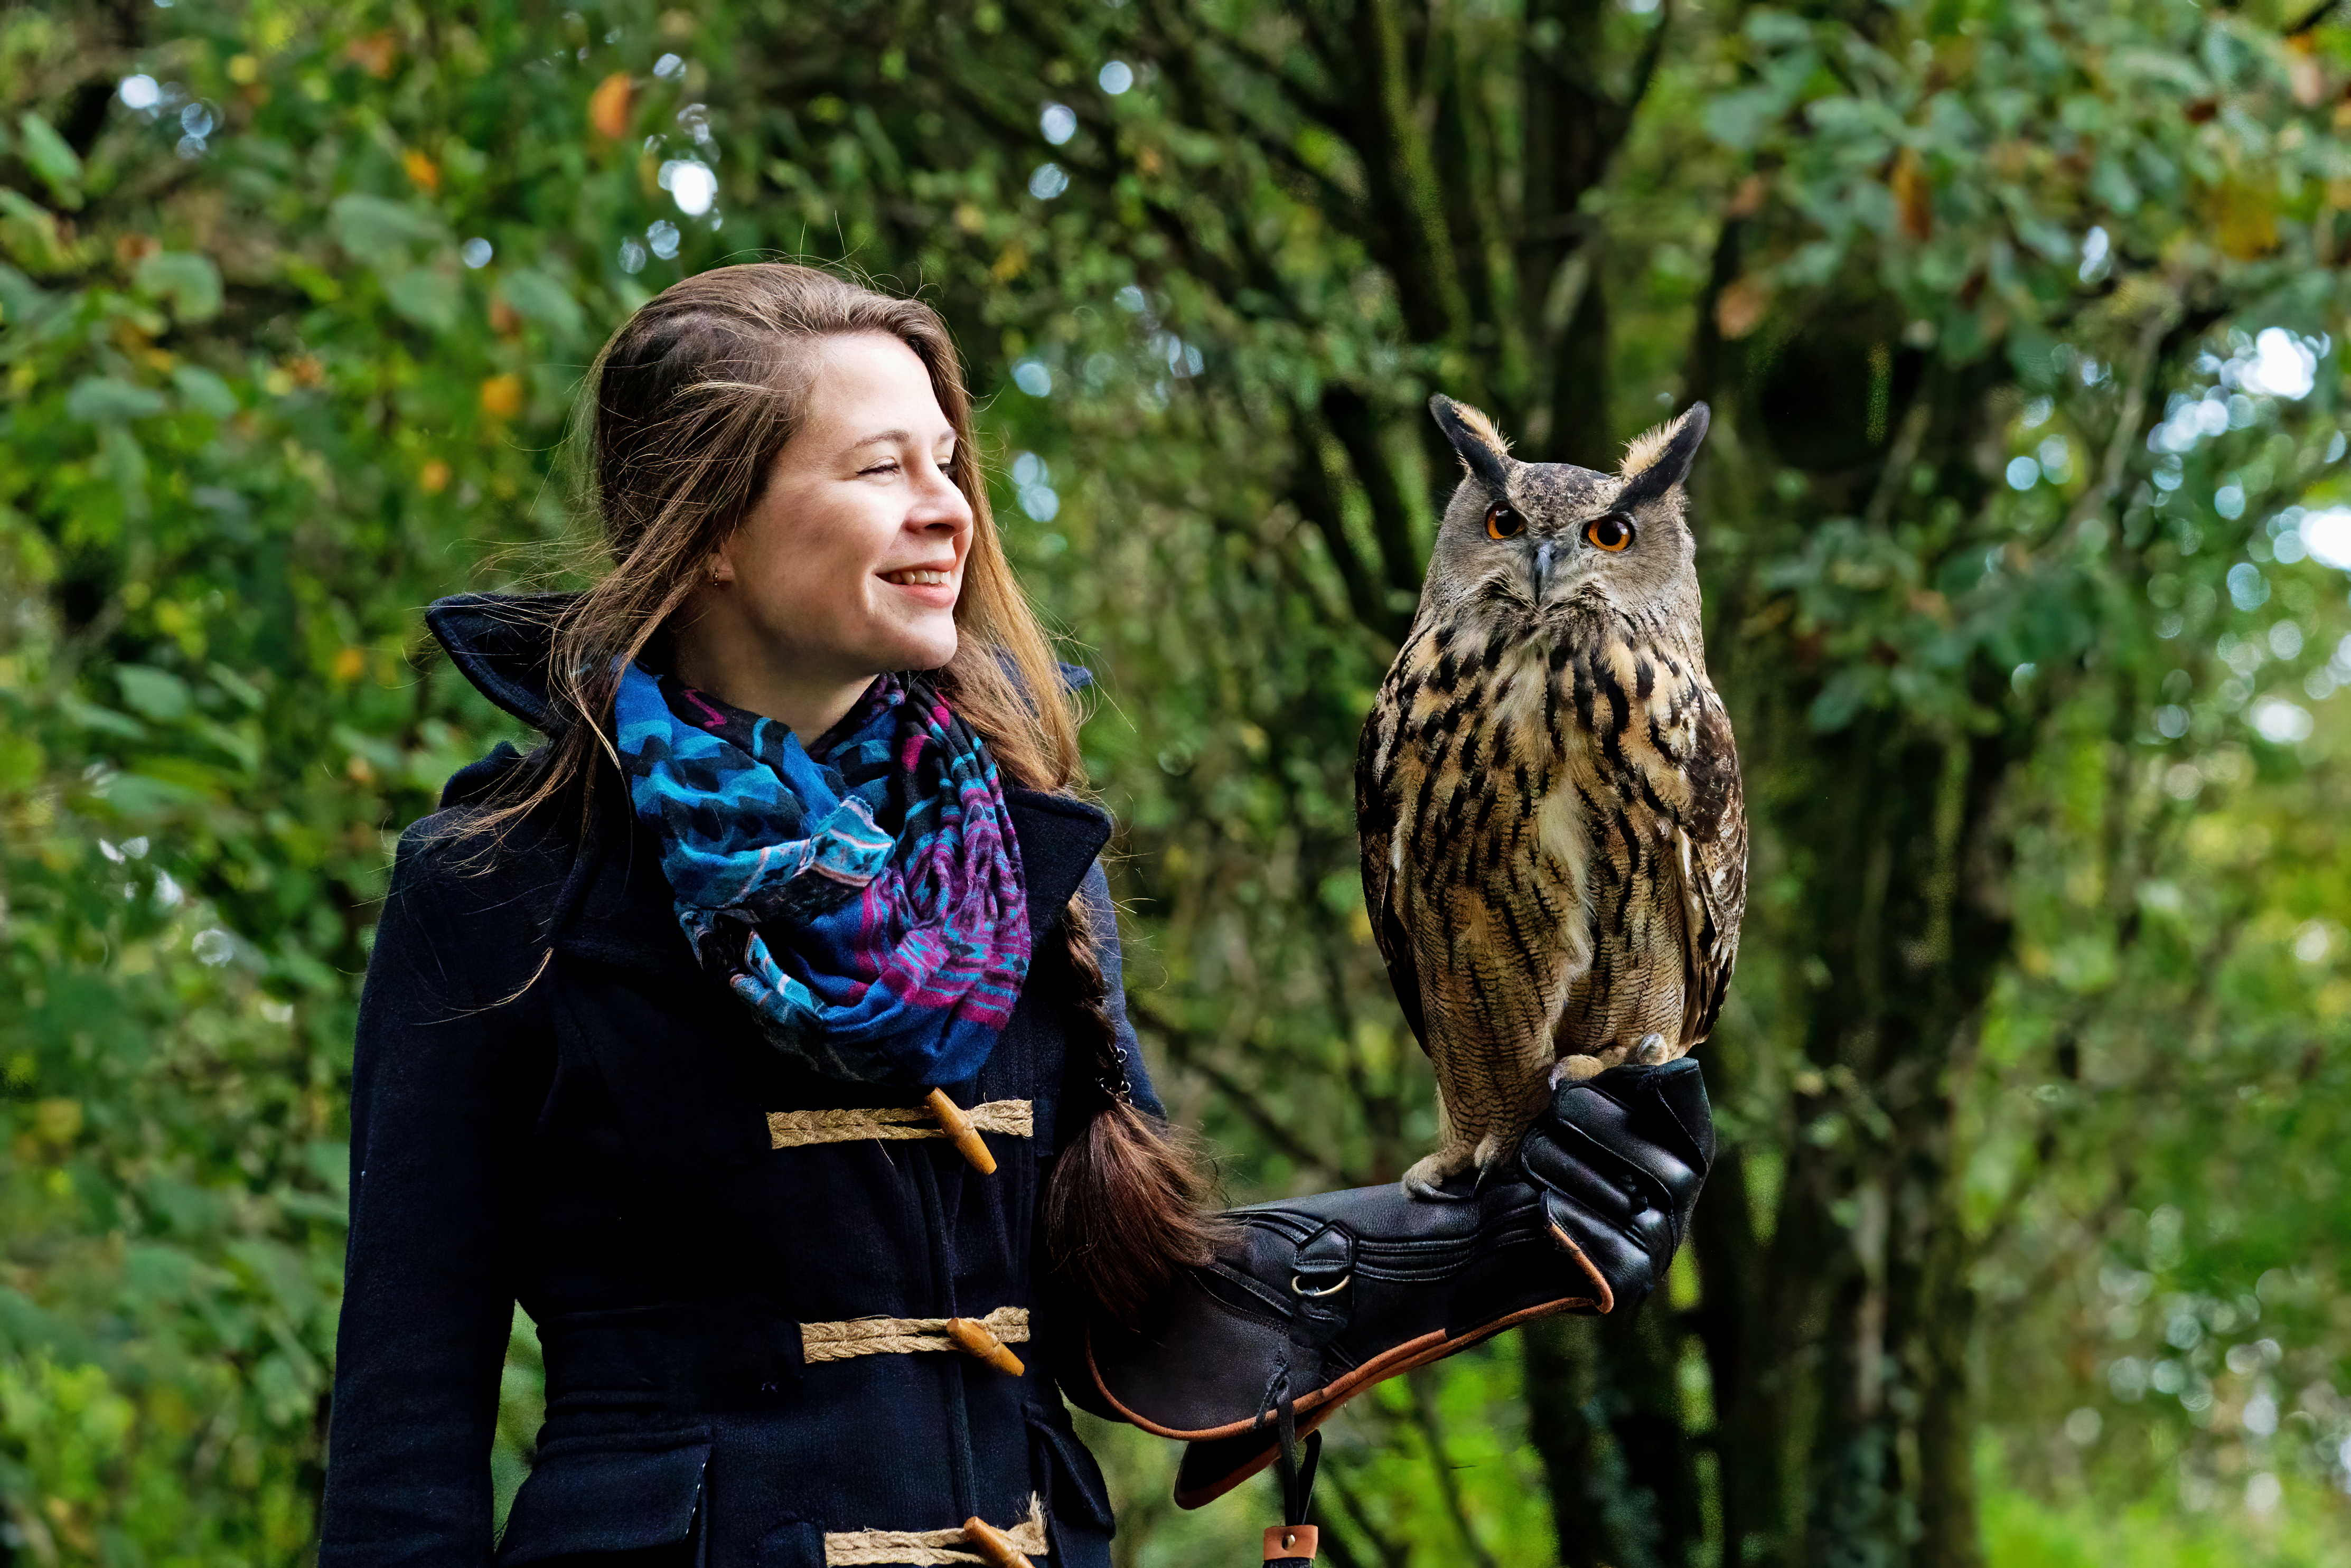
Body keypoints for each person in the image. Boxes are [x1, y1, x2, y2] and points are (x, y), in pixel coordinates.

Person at [317, 263, 1713, 1568]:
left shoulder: (1016, 859)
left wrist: (1496, 1230)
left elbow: (1135, 1306)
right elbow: (402, 1437)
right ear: (714, 527)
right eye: (881, 470)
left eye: (947, 462)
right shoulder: (501, 884)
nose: (948, 510)